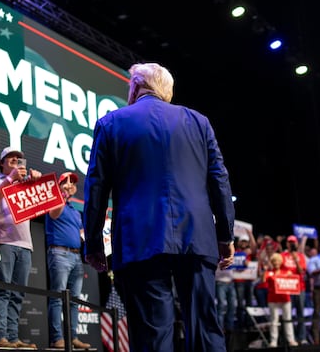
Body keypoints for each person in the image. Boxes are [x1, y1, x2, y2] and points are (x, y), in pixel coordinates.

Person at [82, 62, 235, 352]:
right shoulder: (198, 122)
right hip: (198, 238)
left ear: (137, 85)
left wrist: (92, 242)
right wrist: (225, 235)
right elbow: (220, 181)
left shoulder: (111, 123)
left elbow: (96, 187)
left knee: (153, 334)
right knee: (205, 328)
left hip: (140, 239)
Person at [0, 146, 42, 349]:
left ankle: (13, 337)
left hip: (25, 243)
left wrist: (36, 183)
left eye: (18, 159)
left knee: (17, 294)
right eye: (10, 159)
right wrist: (10, 178)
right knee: (2, 290)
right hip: (3, 241)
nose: (15, 161)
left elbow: (42, 203)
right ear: (1, 163)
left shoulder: (25, 184)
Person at [46, 172, 91, 350]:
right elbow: (54, 214)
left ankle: (73, 336)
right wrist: (62, 194)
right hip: (59, 253)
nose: (71, 184)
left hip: (76, 256)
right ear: (60, 184)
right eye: (67, 181)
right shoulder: (55, 201)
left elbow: (82, 235)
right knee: (58, 297)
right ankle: (57, 338)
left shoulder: (74, 211)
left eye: (73, 182)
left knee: (74, 300)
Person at [264, 253, 298, 347]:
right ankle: (274, 341)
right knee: (274, 320)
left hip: (285, 298)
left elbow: (294, 282)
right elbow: (264, 281)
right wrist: (265, 271)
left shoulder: (286, 272)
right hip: (273, 299)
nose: (276, 263)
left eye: (278, 260)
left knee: (288, 319)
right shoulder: (269, 272)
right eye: (274, 261)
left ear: (281, 261)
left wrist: (290, 276)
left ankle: (291, 340)